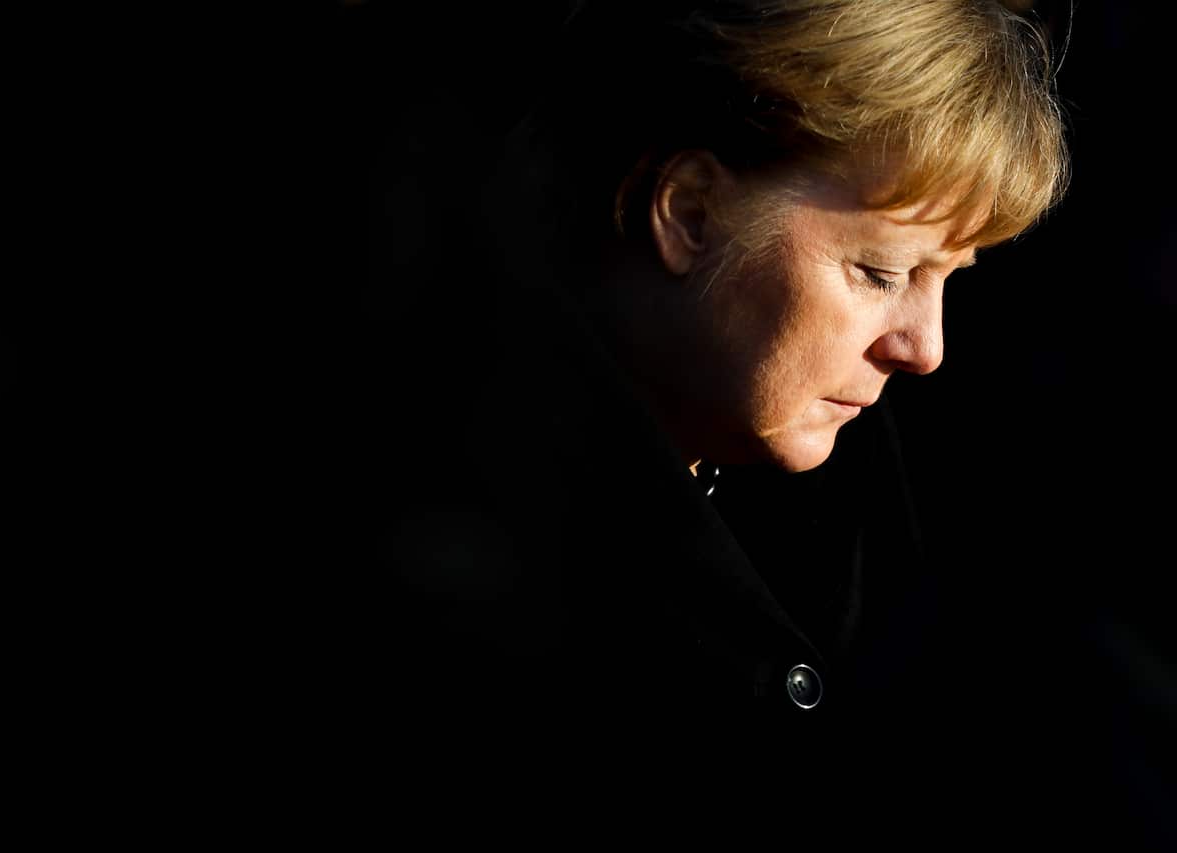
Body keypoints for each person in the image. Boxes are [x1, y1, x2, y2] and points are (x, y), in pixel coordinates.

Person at [357, 0, 1068, 829]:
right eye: (880, 271)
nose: (926, 347)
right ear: (689, 211)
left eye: (952, 275)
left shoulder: (879, 500)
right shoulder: (441, 547)